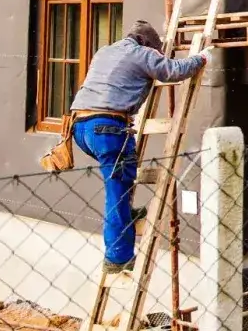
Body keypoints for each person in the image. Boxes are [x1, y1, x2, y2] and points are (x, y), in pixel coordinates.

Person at [69, 20, 210, 274]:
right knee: (117, 195)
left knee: (119, 186)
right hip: (108, 128)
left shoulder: (105, 51)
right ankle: (117, 258)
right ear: (145, 43)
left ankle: (125, 219)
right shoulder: (141, 53)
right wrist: (200, 58)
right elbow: (172, 71)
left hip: (81, 128)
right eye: (156, 52)